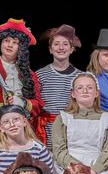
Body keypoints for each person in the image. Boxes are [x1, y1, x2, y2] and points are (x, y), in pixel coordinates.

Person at [51, 74, 108, 174]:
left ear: (97, 93)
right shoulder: (63, 118)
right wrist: (80, 170)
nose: (85, 90)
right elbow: (59, 151)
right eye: (80, 88)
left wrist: (94, 171)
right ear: (73, 94)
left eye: (89, 87)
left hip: (99, 166)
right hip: (69, 164)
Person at [35, 24, 83, 152]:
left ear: (72, 49)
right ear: (50, 49)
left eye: (65, 44)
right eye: (56, 44)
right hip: (47, 130)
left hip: (72, 129)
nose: (61, 47)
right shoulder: (40, 75)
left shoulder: (81, 76)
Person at [0, 105, 56, 174]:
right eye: (6, 122)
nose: (12, 124)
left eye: (16, 119)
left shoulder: (38, 149)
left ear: (24, 121)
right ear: (1, 128)